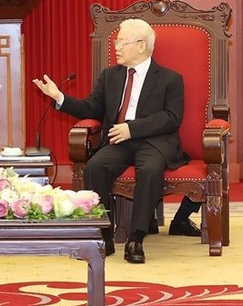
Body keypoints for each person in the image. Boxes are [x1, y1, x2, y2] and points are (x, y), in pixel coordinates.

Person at [33, 18, 195, 264]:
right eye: (116, 41)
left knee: (150, 170)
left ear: (141, 46)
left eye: (122, 41)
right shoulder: (110, 76)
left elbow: (172, 118)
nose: (116, 46)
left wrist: (133, 129)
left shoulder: (170, 79)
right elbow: (91, 107)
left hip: (154, 142)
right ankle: (104, 236)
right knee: (96, 167)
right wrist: (59, 97)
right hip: (118, 141)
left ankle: (135, 239)